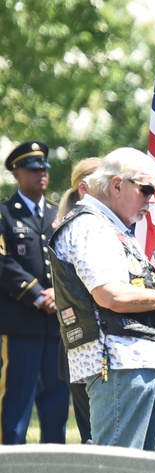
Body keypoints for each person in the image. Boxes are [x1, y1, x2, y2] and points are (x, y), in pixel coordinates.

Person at [49, 147, 155, 451]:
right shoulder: (89, 225)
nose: (152, 199)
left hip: (136, 364)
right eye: (145, 189)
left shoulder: (112, 227)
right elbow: (111, 294)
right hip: (120, 364)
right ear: (117, 185)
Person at [0, 141, 70, 444]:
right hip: (20, 325)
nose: (41, 173)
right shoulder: (4, 214)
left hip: (57, 326)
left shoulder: (59, 215)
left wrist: (59, 292)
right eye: (32, 168)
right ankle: (9, 469)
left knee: (56, 403)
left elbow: (71, 260)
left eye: (44, 168)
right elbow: (3, 262)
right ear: (16, 173)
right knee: (17, 400)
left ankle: (52, 468)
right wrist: (38, 294)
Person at [55, 156, 103, 443]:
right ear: (85, 189)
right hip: (86, 343)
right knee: (95, 435)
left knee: (97, 435)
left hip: (89, 343)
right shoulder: (80, 227)